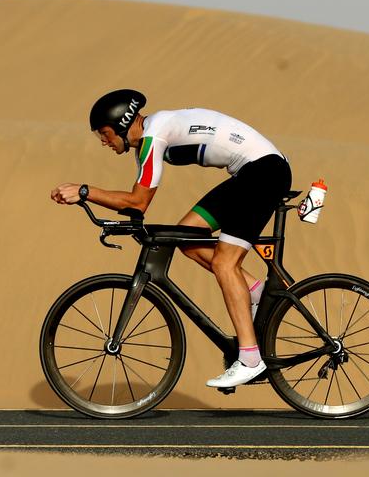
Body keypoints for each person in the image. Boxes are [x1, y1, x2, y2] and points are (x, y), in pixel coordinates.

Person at [50, 89, 291, 387]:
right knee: (187, 237)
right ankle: (254, 291)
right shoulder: (150, 139)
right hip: (250, 173)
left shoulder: (154, 136)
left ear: (123, 124)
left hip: (264, 173)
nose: (103, 140)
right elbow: (135, 208)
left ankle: (251, 359)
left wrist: (86, 191)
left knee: (225, 263)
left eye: (105, 133)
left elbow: (137, 202)